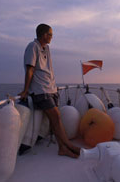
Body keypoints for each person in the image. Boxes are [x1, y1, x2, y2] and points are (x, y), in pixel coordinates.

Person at [18, 24, 80, 158]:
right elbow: (30, 70)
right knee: (56, 117)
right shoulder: (32, 47)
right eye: (50, 34)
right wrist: (25, 90)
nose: (52, 37)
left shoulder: (46, 48)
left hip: (51, 89)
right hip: (41, 90)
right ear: (44, 34)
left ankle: (62, 148)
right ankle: (68, 145)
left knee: (55, 120)